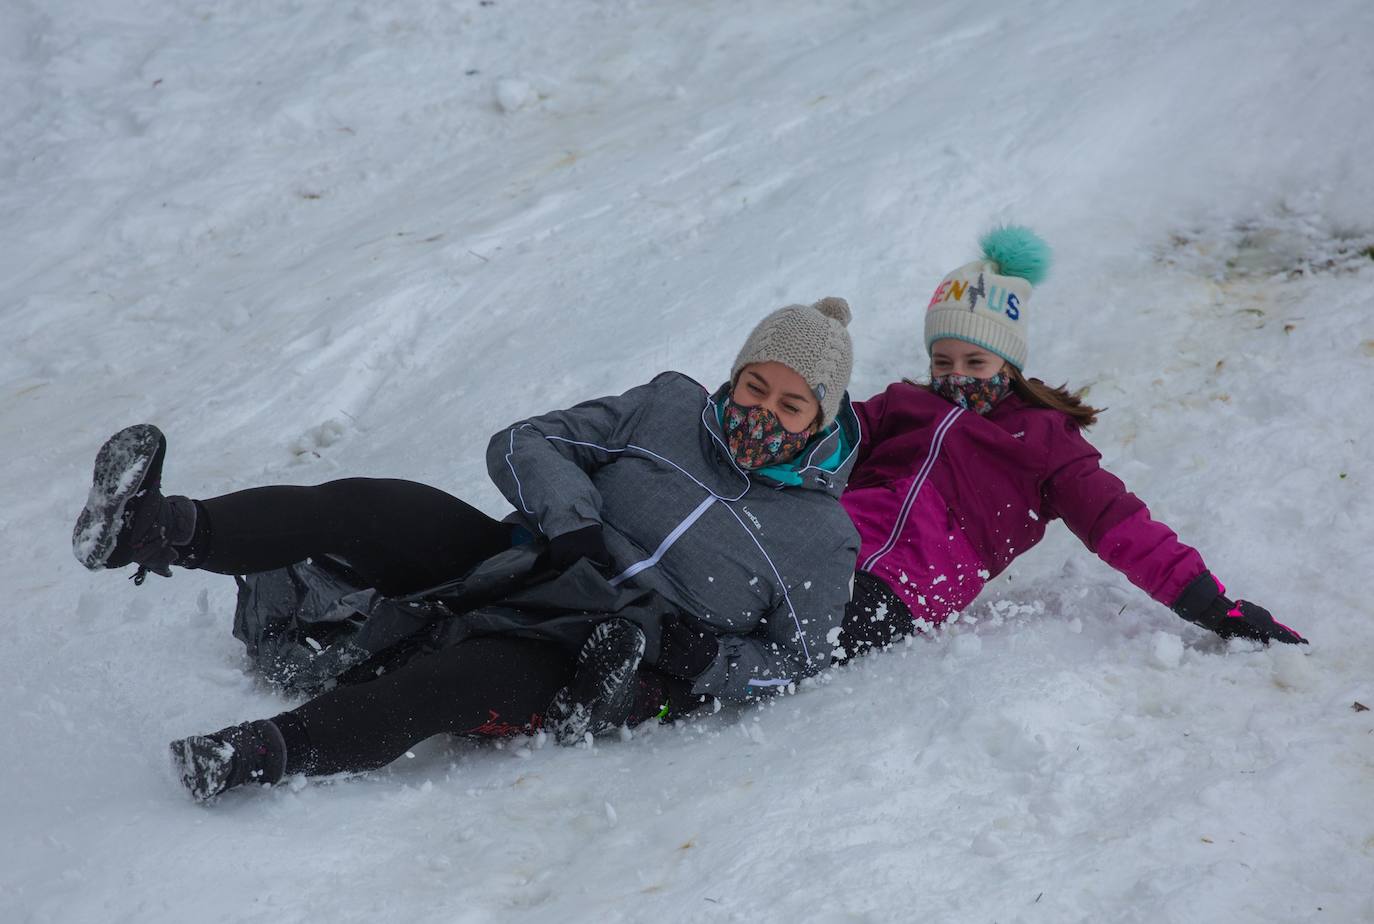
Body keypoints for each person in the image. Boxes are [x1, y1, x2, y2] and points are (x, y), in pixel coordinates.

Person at [71, 298, 863, 800]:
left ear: (820, 421)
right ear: (734, 374)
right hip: (533, 558)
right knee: (366, 506)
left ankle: (257, 755)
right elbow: (526, 442)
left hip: (599, 651)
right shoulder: (666, 408)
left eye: (790, 405)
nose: (762, 412)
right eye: (755, 387)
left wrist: (700, 659)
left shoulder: (821, 540)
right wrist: (574, 526)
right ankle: (156, 528)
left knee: (448, 682)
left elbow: (800, 660)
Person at [832, 226, 1306, 661]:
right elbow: (821, 436)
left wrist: (1214, 608)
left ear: (1008, 362)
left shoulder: (1043, 441)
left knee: (798, 637)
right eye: (942, 361)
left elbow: (1120, 524)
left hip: (902, 589)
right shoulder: (903, 404)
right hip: (827, 544)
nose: (956, 376)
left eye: (975, 362)